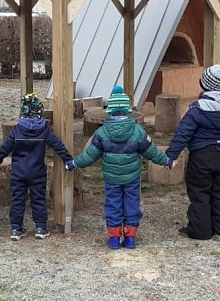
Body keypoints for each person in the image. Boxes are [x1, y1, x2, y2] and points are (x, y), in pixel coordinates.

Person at [70, 86, 170, 249]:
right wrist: (167, 161)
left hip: (112, 178)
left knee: (113, 204)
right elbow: (151, 152)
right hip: (132, 177)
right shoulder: (137, 131)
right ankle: (130, 238)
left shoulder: (102, 132)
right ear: (127, 110)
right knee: (132, 204)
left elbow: (90, 155)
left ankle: (114, 238)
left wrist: (74, 163)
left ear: (110, 111)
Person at [166, 65, 220, 240]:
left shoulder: (198, 108)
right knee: (219, 190)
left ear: (204, 83)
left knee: (199, 192)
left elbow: (183, 133)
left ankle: (200, 230)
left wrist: (171, 155)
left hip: (201, 156)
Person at [0, 93, 73, 241]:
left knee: (17, 200)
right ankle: (41, 228)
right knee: (38, 200)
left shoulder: (16, 131)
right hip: (37, 173)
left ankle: (16, 229)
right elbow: (58, 145)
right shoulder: (44, 130)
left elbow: (5, 147)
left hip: (18, 173)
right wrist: (68, 160)